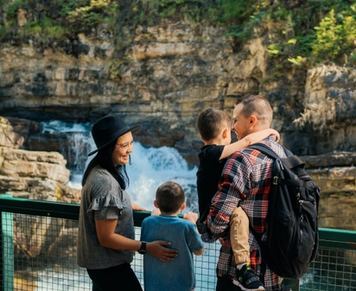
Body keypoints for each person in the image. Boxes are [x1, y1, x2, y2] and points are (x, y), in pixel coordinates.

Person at [77, 115, 177, 291]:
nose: (130, 150)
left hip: (100, 265)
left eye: (131, 143)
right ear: (108, 148)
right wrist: (146, 247)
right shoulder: (106, 183)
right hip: (109, 266)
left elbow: (101, 207)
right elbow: (106, 238)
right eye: (124, 145)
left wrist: (125, 204)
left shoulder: (96, 171)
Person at [202, 95, 286, 291]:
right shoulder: (285, 155)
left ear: (251, 120)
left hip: (238, 277)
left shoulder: (241, 160)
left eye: (236, 120)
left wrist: (206, 226)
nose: (232, 127)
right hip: (275, 271)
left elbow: (216, 224)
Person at [141, 181, 204, 291]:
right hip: (183, 286)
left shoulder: (147, 222)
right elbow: (199, 250)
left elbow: (142, 249)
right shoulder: (186, 226)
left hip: (154, 286)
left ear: (155, 204)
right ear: (183, 206)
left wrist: (153, 217)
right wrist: (192, 223)